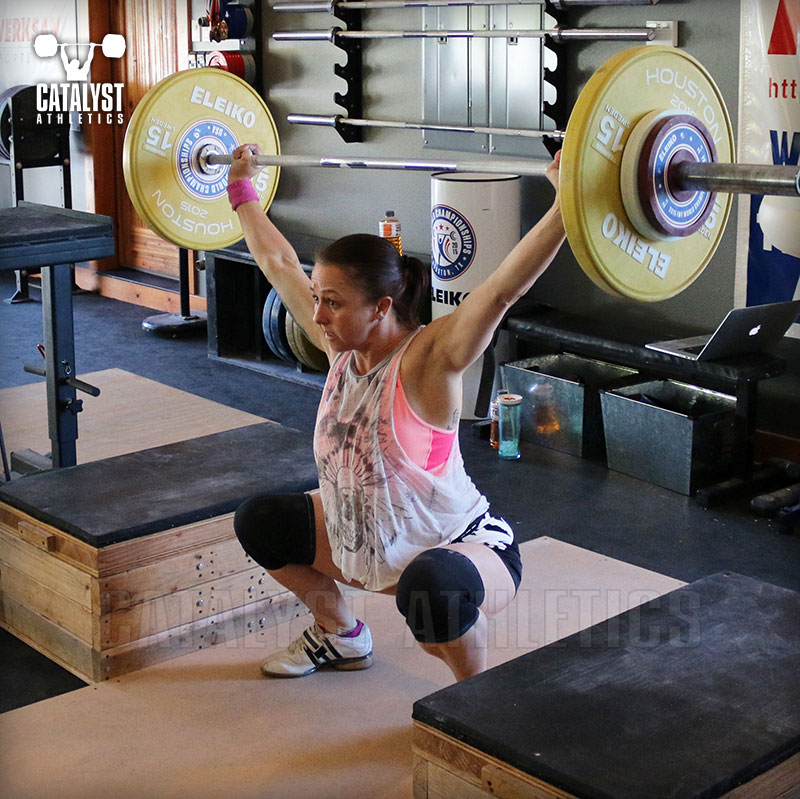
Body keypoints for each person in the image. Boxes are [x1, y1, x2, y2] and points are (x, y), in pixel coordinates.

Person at [227, 146, 565, 682]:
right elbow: (277, 263)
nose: (317, 315)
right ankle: (340, 636)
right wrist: (240, 189)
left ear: (381, 308)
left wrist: (568, 204)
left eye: (332, 302)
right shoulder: (341, 349)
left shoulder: (428, 361)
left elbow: (501, 290)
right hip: (369, 548)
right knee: (261, 521)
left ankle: (474, 702)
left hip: (461, 552)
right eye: (316, 297)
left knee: (430, 595)